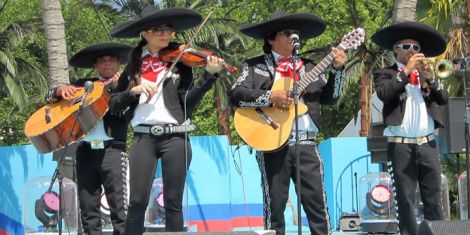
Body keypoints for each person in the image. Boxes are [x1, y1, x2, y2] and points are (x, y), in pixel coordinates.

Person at [108, 6, 224, 234]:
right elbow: (113, 105)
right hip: (143, 137)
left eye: (168, 29)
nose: (166, 34)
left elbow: (188, 104)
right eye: (159, 29)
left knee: (172, 203)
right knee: (137, 202)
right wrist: (133, 91)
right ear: (144, 33)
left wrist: (209, 77)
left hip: (176, 137)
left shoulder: (180, 61)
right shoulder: (133, 65)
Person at [229, 11, 347, 235]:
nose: (293, 36)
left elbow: (331, 98)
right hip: (271, 144)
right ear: (270, 39)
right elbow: (235, 94)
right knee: (275, 209)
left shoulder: (311, 66)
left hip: (307, 144)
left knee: (318, 208)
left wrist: (337, 70)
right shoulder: (254, 66)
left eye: (296, 33)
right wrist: (269, 98)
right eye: (286, 33)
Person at [45, 42, 133, 235]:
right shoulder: (84, 85)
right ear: (95, 66)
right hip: (84, 151)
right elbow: (48, 97)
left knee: (120, 207)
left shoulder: (128, 85)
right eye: (102, 61)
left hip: (113, 149)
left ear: (119, 64)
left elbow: (126, 108)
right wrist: (60, 90)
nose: (107, 64)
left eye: (111, 60)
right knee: (87, 208)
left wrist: (120, 89)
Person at [371, 21, 448, 235]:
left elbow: (443, 99)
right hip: (400, 146)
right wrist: (406, 70)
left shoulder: (425, 75)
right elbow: (385, 94)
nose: (412, 52)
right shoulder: (385, 73)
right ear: (395, 50)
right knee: (405, 201)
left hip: (428, 144)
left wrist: (432, 79)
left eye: (416, 48)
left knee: (434, 199)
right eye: (406, 47)